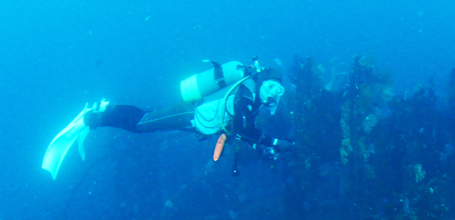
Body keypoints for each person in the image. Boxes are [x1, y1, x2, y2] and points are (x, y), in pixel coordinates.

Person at [43, 60, 292, 179]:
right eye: (271, 86)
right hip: (190, 114)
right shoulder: (247, 95)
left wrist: (265, 144)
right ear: (263, 82)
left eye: (278, 90)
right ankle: (92, 118)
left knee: (148, 116)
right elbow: (242, 127)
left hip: (195, 118)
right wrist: (271, 141)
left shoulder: (252, 96)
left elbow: (240, 127)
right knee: (142, 124)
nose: (273, 93)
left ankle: (108, 108)